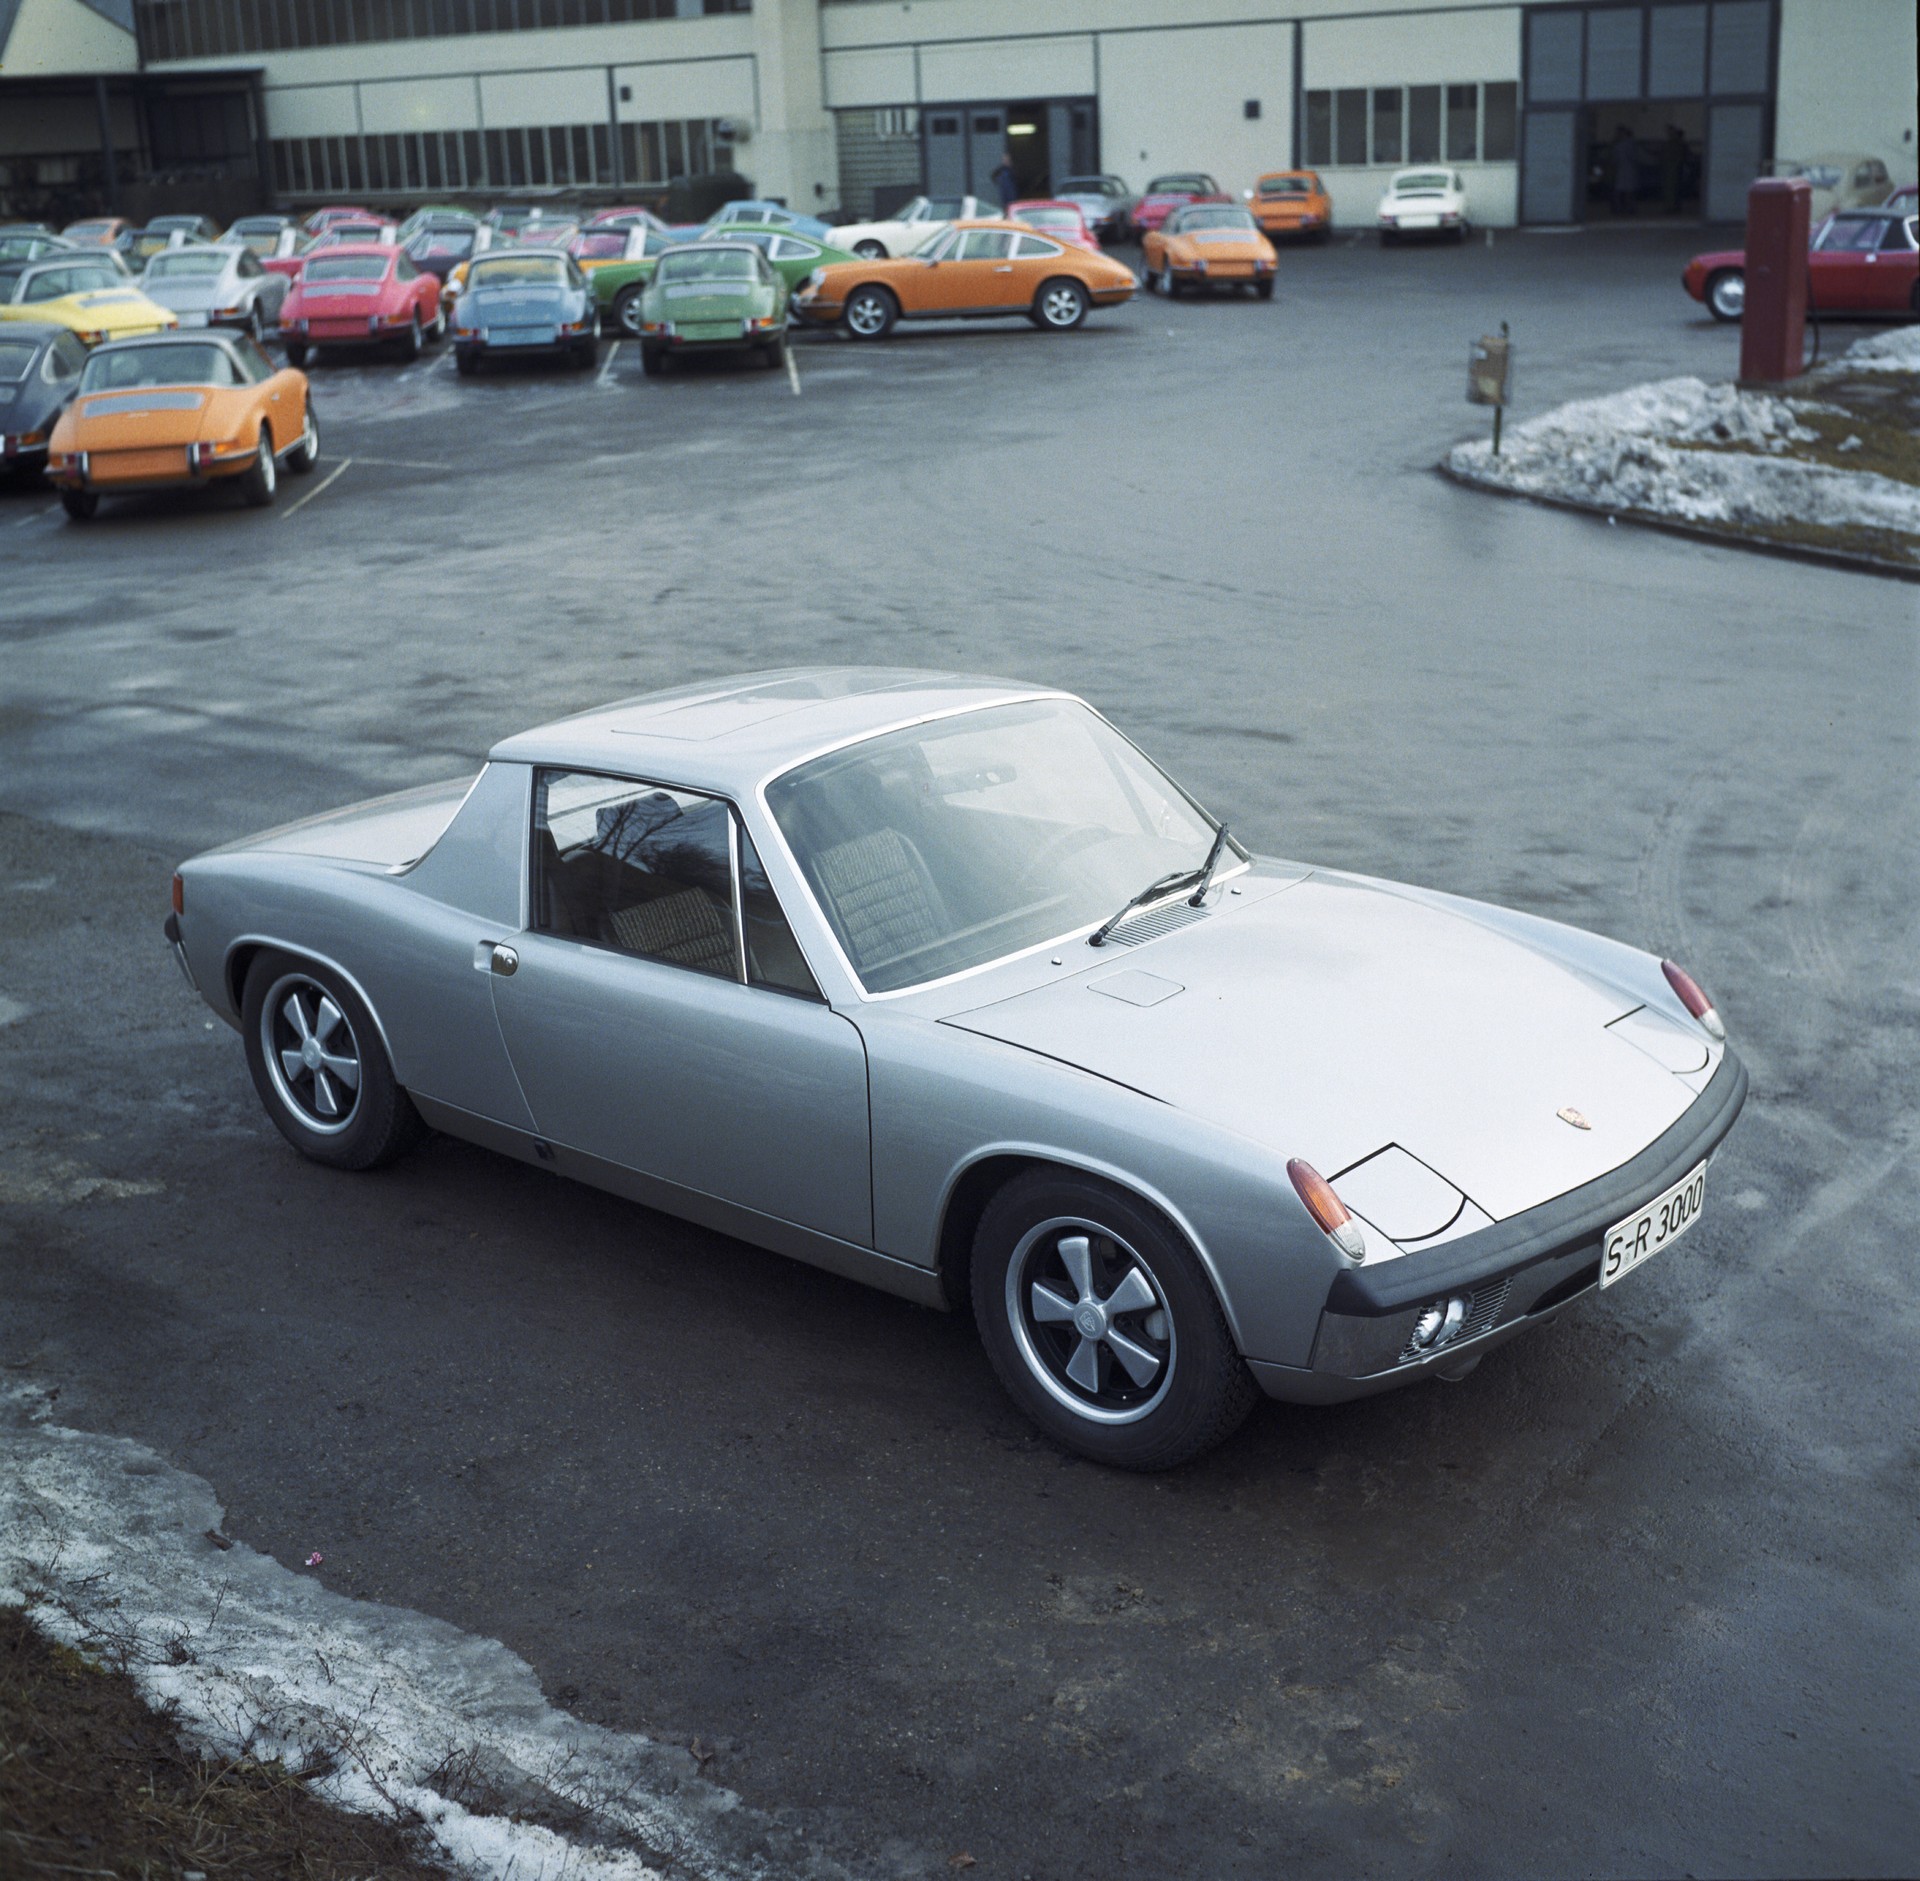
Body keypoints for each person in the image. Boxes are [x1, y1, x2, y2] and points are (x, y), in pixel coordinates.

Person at [1610, 125, 1638, 215]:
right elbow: (1634, 157)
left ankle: (1621, 209)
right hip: (1627, 170)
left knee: (1620, 191)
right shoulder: (1630, 144)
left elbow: (1614, 159)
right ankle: (1628, 208)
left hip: (1623, 170)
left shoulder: (1620, 146)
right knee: (1627, 191)